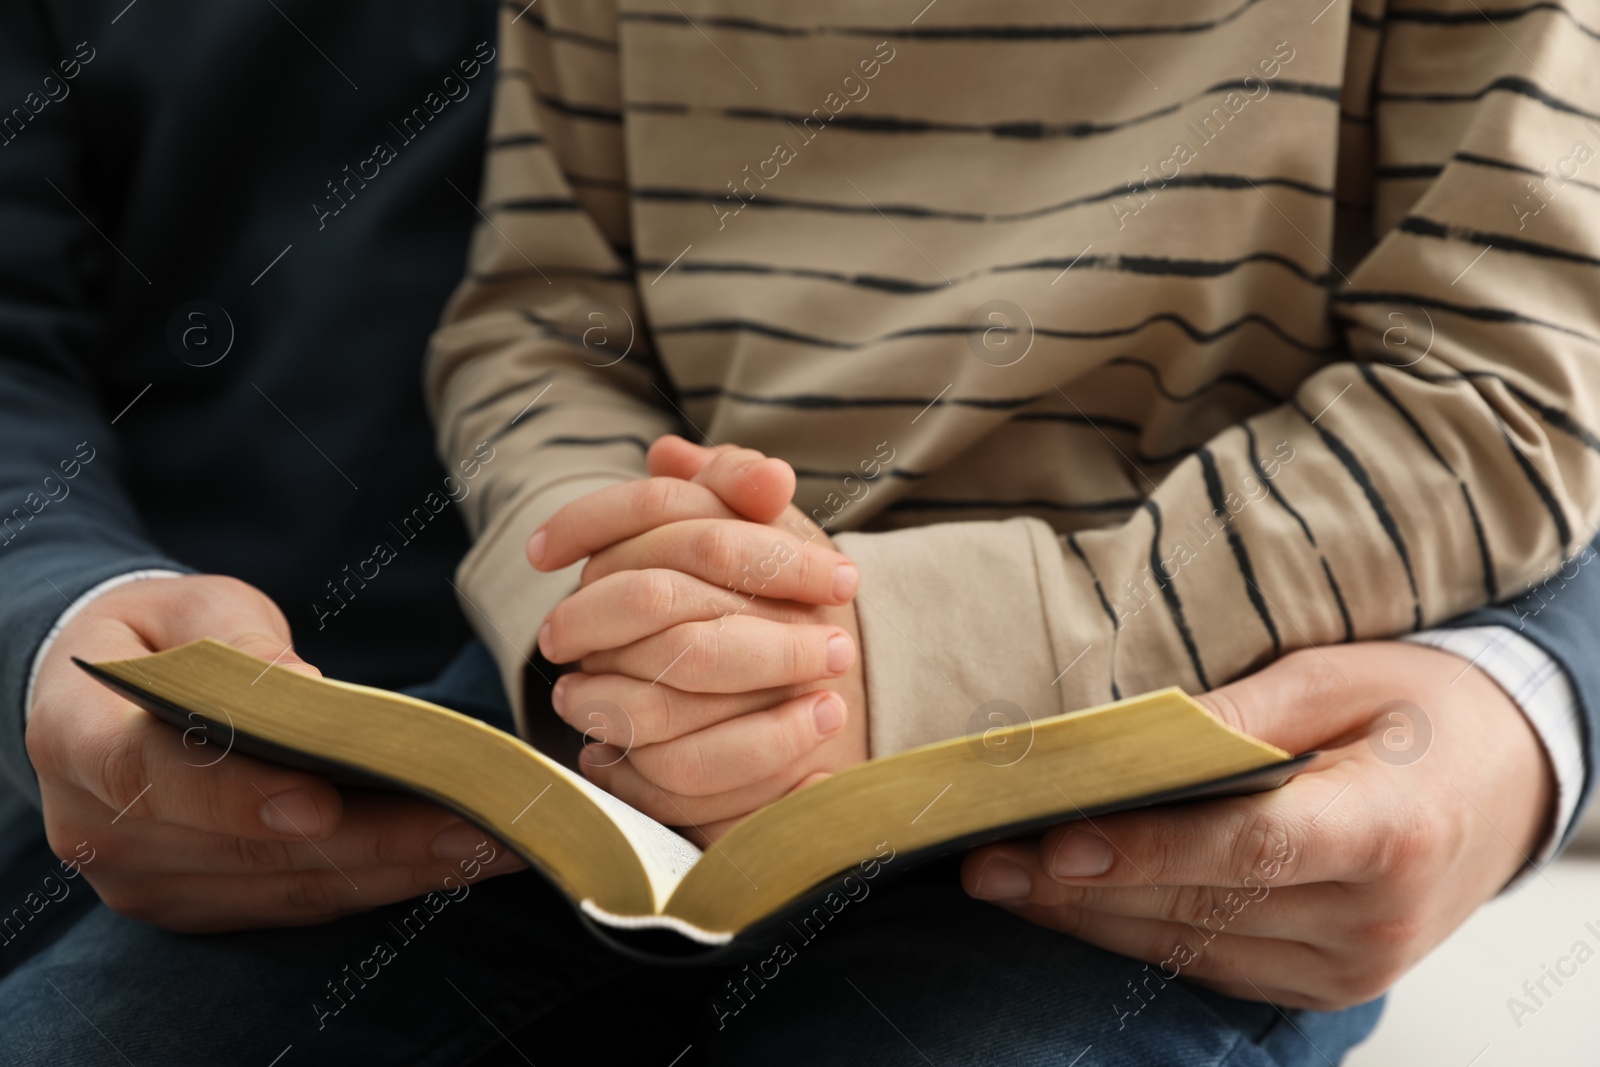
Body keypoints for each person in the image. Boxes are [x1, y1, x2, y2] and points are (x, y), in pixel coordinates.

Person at [0, 5, 1595, 1067]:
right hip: (553, 758)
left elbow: (1511, 377)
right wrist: (614, 598)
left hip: (1106, 827)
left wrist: (904, 656)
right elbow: (544, 311)